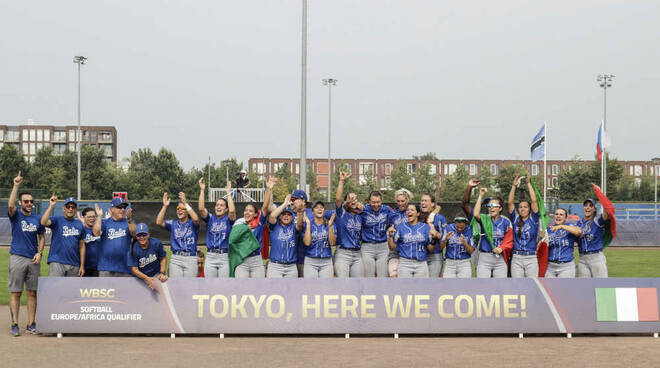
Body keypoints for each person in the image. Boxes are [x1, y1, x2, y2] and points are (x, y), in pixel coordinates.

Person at [7, 171, 45, 336]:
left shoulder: (37, 218)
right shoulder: (16, 216)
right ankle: (15, 324)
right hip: (17, 257)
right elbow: (10, 206)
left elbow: (42, 236)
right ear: (20, 203)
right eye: (26, 201)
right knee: (16, 292)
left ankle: (31, 323)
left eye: (31, 201)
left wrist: (40, 252)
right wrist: (16, 185)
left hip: (33, 260)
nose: (29, 203)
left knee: (32, 292)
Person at [233, 177, 275, 278]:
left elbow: (265, 207)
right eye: (246, 210)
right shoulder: (239, 223)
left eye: (250, 211)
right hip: (242, 259)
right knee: (241, 288)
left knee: (258, 288)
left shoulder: (259, 222)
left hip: (256, 260)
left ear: (256, 214)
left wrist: (268, 189)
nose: (247, 212)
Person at [198, 178, 236, 278]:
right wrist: (202, 190)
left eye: (222, 205)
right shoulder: (211, 218)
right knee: (210, 285)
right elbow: (201, 209)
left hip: (224, 256)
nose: (218, 207)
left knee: (224, 285)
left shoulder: (228, 219)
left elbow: (232, 212)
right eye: (217, 205)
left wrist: (228, 193)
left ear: (226, 208)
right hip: (211, 255)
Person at [156, 192, 200, 277]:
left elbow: (196, 218)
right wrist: (165, 206)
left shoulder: (193, 223)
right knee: (176, 287)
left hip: (190, 258)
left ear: (187, 211)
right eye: (177, 208)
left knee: (189, 287)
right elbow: (159, 222)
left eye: (182, 208)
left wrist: (185, 203)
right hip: (176, 258)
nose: (179, 210)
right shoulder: (173, 223)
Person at [40, 195, 85, 277]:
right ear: (63, 208)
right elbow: (43, 222)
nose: (70, 209)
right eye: (68, 207)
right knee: (55, 288)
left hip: (74, 263)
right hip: (57, 261)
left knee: (71, 289)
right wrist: (51, 206)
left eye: (73, 207)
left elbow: (82, 246)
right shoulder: (57, 220)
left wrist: (82, 265)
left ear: (76, 210)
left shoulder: (79, 224)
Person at [387, 204, 437, 278]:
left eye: (412, 210)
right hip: (405, 263)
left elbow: (431, 249)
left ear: (418, 213)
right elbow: (392, 248)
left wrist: (434, 238)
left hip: (421, 263)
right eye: (408, 210)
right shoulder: (400, 227)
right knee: (405, 289)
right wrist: (390, 236)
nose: (409, 211)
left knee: (421, 289)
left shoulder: (425, 227)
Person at [473, 188, 513, 278]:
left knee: (500, 286)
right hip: (484, 257)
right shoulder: (485, 219)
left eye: (494, 205)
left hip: (500, 258)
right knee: (483, 286)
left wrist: (501, 248)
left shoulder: (506, 221)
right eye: (489, 205)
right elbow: (475, 214)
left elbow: (509, 240)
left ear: (500, 208)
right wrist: (480, 195)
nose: (491, 207)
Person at [506, 173, 540, 278]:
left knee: (532, 285)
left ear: (529, 209)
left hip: (531, 258)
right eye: (520, 207)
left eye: (525, 207)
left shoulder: (533, 219)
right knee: (517, 286)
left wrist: (528, 183)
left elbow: (534, 201)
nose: (522, 209)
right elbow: (510, 203)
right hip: (516, 257)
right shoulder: (516, 219)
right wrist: (514, 186)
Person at [94, 198, 136, 277]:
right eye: (119, 207)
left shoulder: (129, 223)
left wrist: (129, 220)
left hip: (125, 267)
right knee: (106, 289)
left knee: (124, 289)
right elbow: (96, 233)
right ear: (112, 209)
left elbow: (135, 235)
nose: (122, 209)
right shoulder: (105, 222)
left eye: (124, 207)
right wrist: (99, 217)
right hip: (106, 267)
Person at [333, 171, 364, 278]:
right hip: (343, 253)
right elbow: (338, 199)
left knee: (359, 285)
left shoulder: (360, 215)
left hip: (357, 254)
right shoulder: (341, 213)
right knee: (343, 285)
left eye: (355, 198)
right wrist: (341, 181)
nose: (353, 200)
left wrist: (362, 207)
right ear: (345, 201)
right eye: (350, 198)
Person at [266, 195, 303, 278]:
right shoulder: (275, 226)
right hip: (275, 266)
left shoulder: (293, 226)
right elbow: (272, 216)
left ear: (292, 217)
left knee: (291, 290)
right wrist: (285, 204)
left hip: (291, 266)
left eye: (289, 214)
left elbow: (300, 225)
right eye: (283, 214)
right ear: (280, 216)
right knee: (274, 290)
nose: (286, 216)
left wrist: (300, 211)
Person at [127, 223, 168, 290]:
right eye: (139, 235)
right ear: (136, 236)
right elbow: (134, 269)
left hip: (156, 274)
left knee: (160, 295)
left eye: (144, 234)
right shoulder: (132, 249)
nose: (142, 237)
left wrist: (162, 273)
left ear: (148, 234)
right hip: (140, 277)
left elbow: (163, 258)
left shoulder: (156, 243)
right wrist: (147, 278)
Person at [360, 190, 391, 277]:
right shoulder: (364, 209)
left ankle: (382, 291)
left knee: (383, 276)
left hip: (383, 247)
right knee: (368, 276)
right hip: (367, 247)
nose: (376, 205)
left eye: (378, 202)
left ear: (381, 201)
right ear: (369, 201)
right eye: (373, 202)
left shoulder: (387, 209)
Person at [577, 198, 609, 277]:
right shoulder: (579, 223)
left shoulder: (597, 220)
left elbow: (607, 214)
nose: (587, 207)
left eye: (591, 206)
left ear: (594, 209)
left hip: (596, 258)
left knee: (601, 286)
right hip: (582, 259)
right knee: (584, 287)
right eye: (586, 205)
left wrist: (602, 198)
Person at [302, 201, 336, 278]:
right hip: (311, 260)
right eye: (316, 207)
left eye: (321, 207)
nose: (319, 209)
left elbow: (332, 243)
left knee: (326, 288)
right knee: (311, 288)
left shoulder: (330, 224)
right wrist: (307, 225)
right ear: (313, 212)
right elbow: (307, 243)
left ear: (324, 210)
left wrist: (330, 226)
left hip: (326, 261)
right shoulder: (308, 224)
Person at [545, 208, 582, 278]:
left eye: (561, 215)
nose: (558, 216)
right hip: (550, 267)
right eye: (556, 214)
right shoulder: (549, 229)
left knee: (564, 288)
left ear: (565, 218)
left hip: (566, 267)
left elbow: (579, 231)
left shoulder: (570, 226)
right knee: (549, 288)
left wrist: (562, 226)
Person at [387, 188, 412, 278]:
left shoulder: (412, 211)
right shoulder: (392, 214)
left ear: (408, 200)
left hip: (409, 250)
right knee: (393, 277)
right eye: (398, 201)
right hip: (395, 250)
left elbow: (433, 207)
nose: (400, 203)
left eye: (403, 201)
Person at [440, 213, 475, 278]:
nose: (459, 229)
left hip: (464, 262)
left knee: (464, 286)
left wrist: (465, 243)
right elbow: (441, 247)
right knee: (448, 286)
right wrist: (445, 239)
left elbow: (471, 251)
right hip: (450, 263)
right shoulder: (447, 228)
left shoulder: (470, 230)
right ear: (455, 222)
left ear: (466, 223)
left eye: (462, 227)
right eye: (457, 227)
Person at [421, 193, 446, 278]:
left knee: (433, 284)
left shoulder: (440, 218)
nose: (423, 203)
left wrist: (435, 233)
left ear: (432, 204)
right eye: (422, 200)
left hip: (435, 255)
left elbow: (445, 238)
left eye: (426, 201)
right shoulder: (417, 216)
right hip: (420, 255)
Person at [80, 207, 101, 277]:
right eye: (89, 217)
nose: (92, 219)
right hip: (84, 267)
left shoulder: (100, 230)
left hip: (98, 267)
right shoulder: (80, 230)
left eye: (93, 216)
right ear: (83, 217)